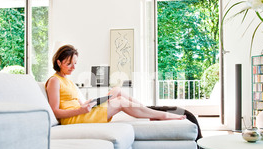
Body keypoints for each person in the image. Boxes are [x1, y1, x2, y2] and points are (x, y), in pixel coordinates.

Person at [45, 44, 186, 125]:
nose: (73, 68)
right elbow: (55, 111)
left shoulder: (67, 81)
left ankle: (148, 111)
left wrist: (88, 103)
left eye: (75, 63)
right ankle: (163, 115)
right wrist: (80, 110)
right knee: (120, 102)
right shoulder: (54, 81)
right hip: (74, 118)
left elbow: (77, 102)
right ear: (58, 62)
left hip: (81, 111)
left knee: (117, 90)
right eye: (69, 64)